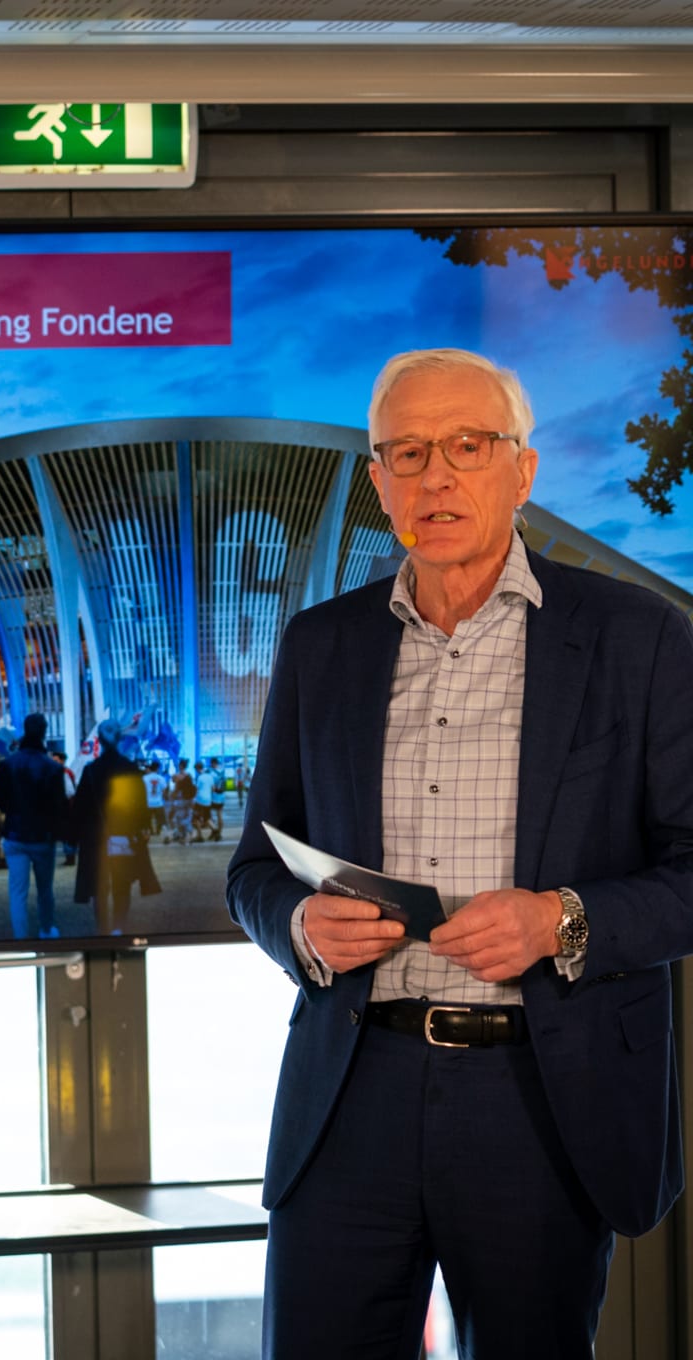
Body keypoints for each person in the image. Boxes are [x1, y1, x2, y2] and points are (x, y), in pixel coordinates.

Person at [226, 348, 693, 1360]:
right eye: (406, 451)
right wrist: (299, 924)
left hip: (540, 1094)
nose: (435, 475)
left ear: (519, 470)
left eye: (466, 446)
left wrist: (561, 919)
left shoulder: (640, 639)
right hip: (352, 1088)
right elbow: (253, 868)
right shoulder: (321, 645)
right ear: (377, 483)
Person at [73, 720, 159, 934]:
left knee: (99, 886)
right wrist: (143, 827)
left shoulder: (91, 770)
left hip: (96, 838)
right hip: (125, 834)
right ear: (120, 739)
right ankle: (119, 927)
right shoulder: (130, 769)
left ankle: (102, 927)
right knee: (122, 884)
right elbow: (140, 803)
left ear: (99, 740)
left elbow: (80, 807)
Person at [0, 713, 69, 940]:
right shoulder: (53, 768)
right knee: (45, 889)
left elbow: (0, 799)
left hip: (15, 832)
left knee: (18, 890)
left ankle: (21, 935)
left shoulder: (8, 765)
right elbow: (59, 804)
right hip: (42, 835)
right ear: (44, 732)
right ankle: (46, 928)